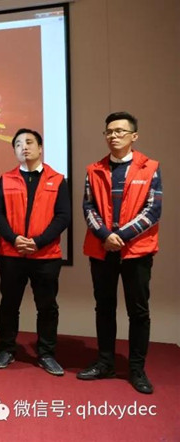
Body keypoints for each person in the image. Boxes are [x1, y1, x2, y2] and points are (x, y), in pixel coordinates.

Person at [77, 112, 161, 394]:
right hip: (102, 249)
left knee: (138, 311)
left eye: (120, 131)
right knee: (104, 307)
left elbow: (153, 210)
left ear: (134, 136)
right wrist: (105, 235)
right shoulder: (94, 169)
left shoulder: (150, 168)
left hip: (136, 251)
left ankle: (137, 369)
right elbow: (88, 206)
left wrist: (121, 236)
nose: (113, 136)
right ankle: (105, 362)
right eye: (109, 132)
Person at [0, 129, 70, 376]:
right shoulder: (6, 179)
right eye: (18, 144)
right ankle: (7, 349)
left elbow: (63, 216)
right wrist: (14, 239)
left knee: (47, 306)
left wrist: (38, 242)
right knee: (9, 304)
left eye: (29, 142)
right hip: (11, 254)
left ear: (40, 147)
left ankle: (46, 353)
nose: (24, 147)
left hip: (45, 255)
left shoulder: (57, 179)